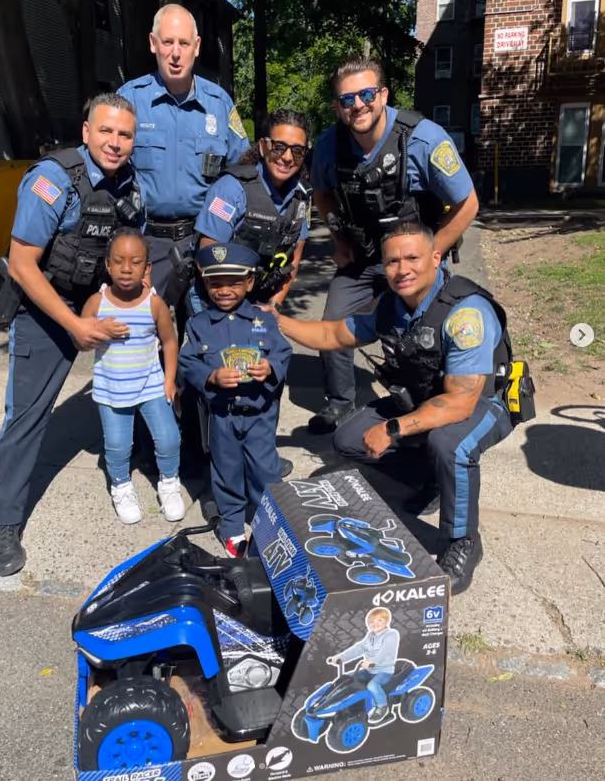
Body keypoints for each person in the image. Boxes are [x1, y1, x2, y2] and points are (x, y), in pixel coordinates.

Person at [263, 221, 514, 595]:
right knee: (348, 439)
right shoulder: (391, 306)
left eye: (412, 258)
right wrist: (277, 320)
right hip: (427, 400)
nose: (402, 269)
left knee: (449, 444)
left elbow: (461, 402)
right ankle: (431, 480)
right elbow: (334, 334)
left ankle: (463, 541)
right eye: (393, 261)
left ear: (435, 257)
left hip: (484, 403)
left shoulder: (466, 314)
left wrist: (394, 428)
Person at [0, 93, 144, 577]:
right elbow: (22, 264)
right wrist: (74, 325)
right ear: (85, 131)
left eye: (124, 134)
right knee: (27, 420)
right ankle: (5, 522)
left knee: (139, 384)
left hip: (94, 300)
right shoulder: (53, 179)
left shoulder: (128, 184)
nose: (115, 143)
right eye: (106, 131)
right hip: (44, 307)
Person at [308, 55, 479, 435]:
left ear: (383, 94)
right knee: (333, 322)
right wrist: (338, 238)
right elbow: (322, 196)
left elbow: (468, 205)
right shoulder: (328, 146)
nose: (358, 105)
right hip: (365, 255)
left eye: (367, 94)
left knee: (419, 338)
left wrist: (431, 257)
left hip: (413, 261)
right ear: (338, 106)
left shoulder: (425, 138)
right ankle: (340, 404)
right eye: (347, 99)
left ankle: (427, 410)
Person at [118, 3, 250, 315]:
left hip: (206, 239)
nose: (175, 53)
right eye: (167, 42)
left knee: (207, 339)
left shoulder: (219, 104)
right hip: (148, 243)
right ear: (153, 44)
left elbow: (243, 172)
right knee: (147, 340)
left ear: (197, 47)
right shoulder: (129, 100)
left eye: (183, 43)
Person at [179, 243, 292, 557]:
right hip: (223, 415)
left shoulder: (264, 320)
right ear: (205, 283)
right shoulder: (199, 326)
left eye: (233, 282)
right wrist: (211, 377)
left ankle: (271, 521)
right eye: (215, 283)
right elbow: (188, 362)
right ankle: (231, 528)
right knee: (226, 471)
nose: (224, 290)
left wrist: (270, 368)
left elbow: (283, 352)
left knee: (265, 470)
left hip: (259, 413)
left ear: (249, 282)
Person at [81, 228, 184, 525]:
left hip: (151, 384)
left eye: (135, 262)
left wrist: (169, 380)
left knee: (168, 438)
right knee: (117, 445)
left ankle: (169, 482)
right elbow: (79, 341)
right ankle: (121, 486)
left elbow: (170, 341)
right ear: (107, 265)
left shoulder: (153, 303)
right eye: (119, 261)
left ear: (147, 268)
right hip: (112, 390)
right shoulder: (96, 304)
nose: (127, 269)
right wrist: (99, 330)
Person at [195, 108, 311, 310]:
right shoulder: (231, 189)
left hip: (260, 303)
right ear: (264, 146)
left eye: (297, 150)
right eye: (279, 147)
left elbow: (294, 259)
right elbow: (207, 255)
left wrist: (274, 306)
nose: (287, 157)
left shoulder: (300, 197)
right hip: (214, 300)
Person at [327, 607, 399, 724]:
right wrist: (340, 657)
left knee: (372, 685)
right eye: (372, 621)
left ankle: (382, 707)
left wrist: (373, 661)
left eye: (379, 620)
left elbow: (386, 650)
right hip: (369, 671)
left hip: (384, 671)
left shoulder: (391, 634)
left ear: (387, 621)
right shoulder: (370, 636)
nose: (374, 623)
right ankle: (345, 703)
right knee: (348, 680)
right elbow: (358, 648)